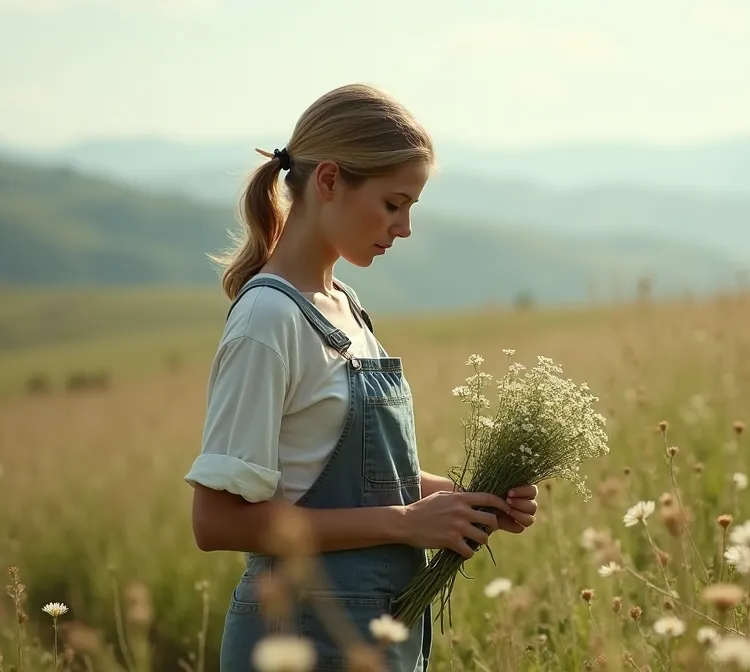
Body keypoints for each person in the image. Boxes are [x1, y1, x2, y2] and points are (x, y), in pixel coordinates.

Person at [184, 83, 540, 672]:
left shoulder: (344, 303)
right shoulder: (266, 320)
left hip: (372, 637)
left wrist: (462, 503)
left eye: (411, 208)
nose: (403, 228)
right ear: (328, 181)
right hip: (295, 638)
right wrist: (404, 523)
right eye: (393, 203)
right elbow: (217, 521)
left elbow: (353, 475)